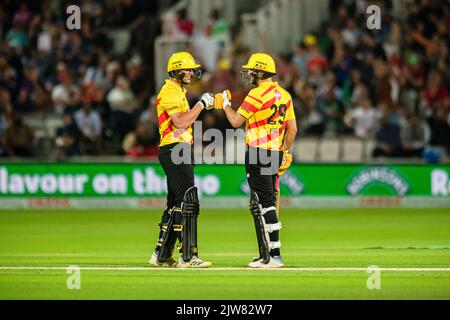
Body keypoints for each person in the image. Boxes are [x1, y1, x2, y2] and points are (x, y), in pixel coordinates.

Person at [216, 53, 297, 268]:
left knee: (264, 204)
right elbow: (292, 130)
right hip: (275, 152)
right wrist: (284, 149)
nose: (249, 74)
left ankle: (274, 256)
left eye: (252, 70)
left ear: (260, 72)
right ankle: (268, 253)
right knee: (268, 201)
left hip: (257, 152)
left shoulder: (256, 94)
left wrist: (225, 104)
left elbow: (235, 121)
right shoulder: (285, 95)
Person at [149, 52, 214, 268]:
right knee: (187, 202)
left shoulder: (177, 91)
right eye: (187, 69)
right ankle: (188, 256)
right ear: (176, 70)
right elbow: (180, 122)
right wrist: (201, 104)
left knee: (175, 204)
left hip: (177, 149)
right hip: (174, 149)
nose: (191, 72)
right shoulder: (170, 91)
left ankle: (161, 254)